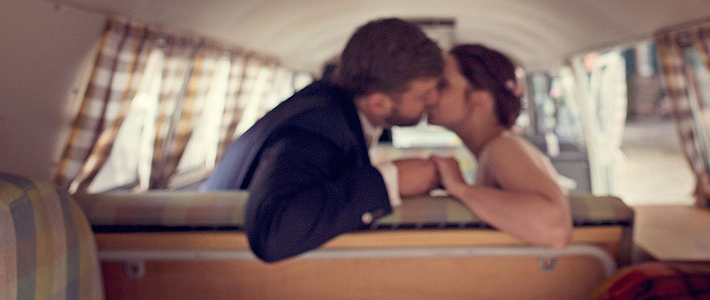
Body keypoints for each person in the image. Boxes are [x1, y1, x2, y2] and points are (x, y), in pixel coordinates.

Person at [205, 18, 445, 262]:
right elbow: (274, 230)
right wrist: (390, 180)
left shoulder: (330, 110)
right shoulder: (316, 128)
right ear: (378, 103)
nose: (434, 100)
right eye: (425, 94)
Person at [428, 44, 573, 249]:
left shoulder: (502, 148)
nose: (430, 94)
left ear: (479, 100)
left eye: (443, 85)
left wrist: (461, 189)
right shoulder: (497, 148)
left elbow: (554, 228)